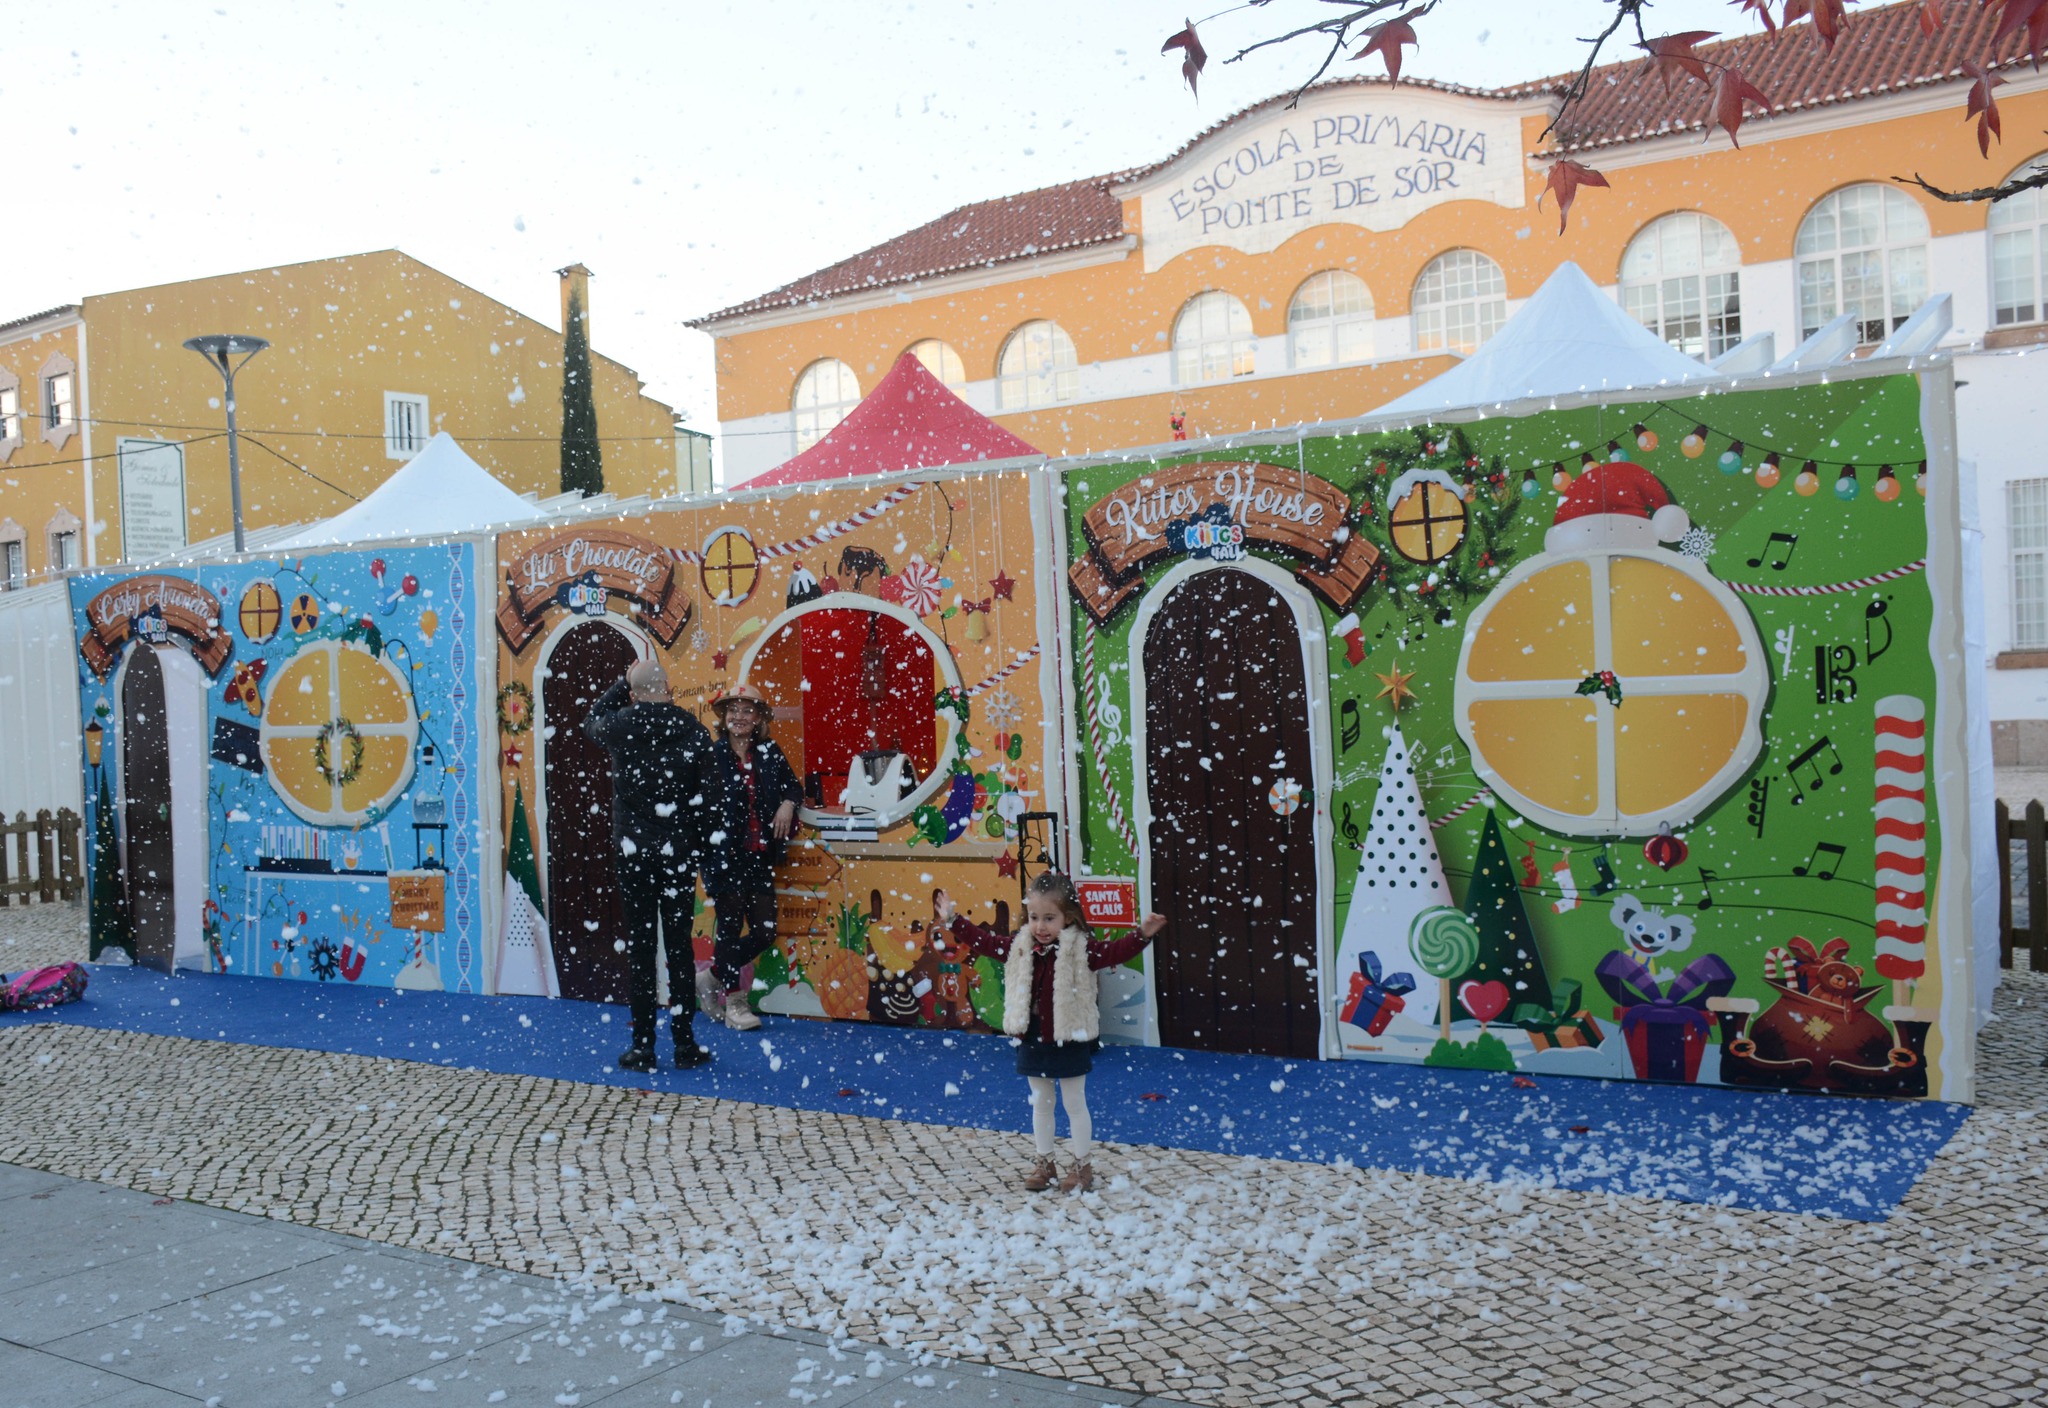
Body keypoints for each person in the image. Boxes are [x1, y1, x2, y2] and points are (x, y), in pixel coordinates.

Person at [935, 873, 1166, 1193]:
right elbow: (985, 942)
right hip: (1033, 1039)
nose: (1041, 927)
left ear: (1067, 917)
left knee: (1074, 1103)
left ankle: (1082, 1165)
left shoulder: (1081, 949)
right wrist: (954, 921)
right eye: (1034, 918)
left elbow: (1114, 952)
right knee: (1041, 1102)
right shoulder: (1020, 946)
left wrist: (1142, 935)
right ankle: (1045, 1162)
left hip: (1069, 1038)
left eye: (1049, 918)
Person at [582, 658, 713, 1073]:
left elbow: (591, 720)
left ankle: (642, 1046)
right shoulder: (694, 731)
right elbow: (706, 796)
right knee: (678, 948)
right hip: (677, 852)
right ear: (670, 690)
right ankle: (685, 1044)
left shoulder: (621, 723)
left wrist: (621, 683)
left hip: (635, 853)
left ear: (635, 693)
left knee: (641, 948)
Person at [700, 683, 801, 1032]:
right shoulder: (711, 756)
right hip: (724, 857)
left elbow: (794, 786)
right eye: (733, 711)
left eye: (747, 711)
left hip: (759, 857)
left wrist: (788, 803)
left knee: (764, 931)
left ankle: (712, 975)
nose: (739, 717)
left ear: (758, 718)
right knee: (729, 930)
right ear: (724, 718)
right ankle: (735, 1001)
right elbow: (696, 807)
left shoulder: (769, 751)